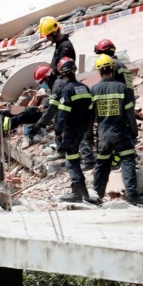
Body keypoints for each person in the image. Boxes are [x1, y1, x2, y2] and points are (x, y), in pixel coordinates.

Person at [90, 55, 143, 204]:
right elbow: (129, 113)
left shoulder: (94, 90)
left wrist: (89, 137)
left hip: (103, 135)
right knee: (127, 160)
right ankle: (132, 196)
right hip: (120, 132)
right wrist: (134, 132)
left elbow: (90, 117)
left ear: (99, 71)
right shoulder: (121, 88)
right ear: (112, 68)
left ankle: (96, 196)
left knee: (102, 164)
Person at [53, 57, 96, 203]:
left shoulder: (67, 89)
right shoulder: (84, 88)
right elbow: (91, 111)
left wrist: (58, 130)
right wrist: (85, 127)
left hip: (71, 130)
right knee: (76, 159)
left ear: (62, 73)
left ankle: (76, 193)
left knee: (71, 160)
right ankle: (84, 193)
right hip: (82, 129)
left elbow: (63, 113)